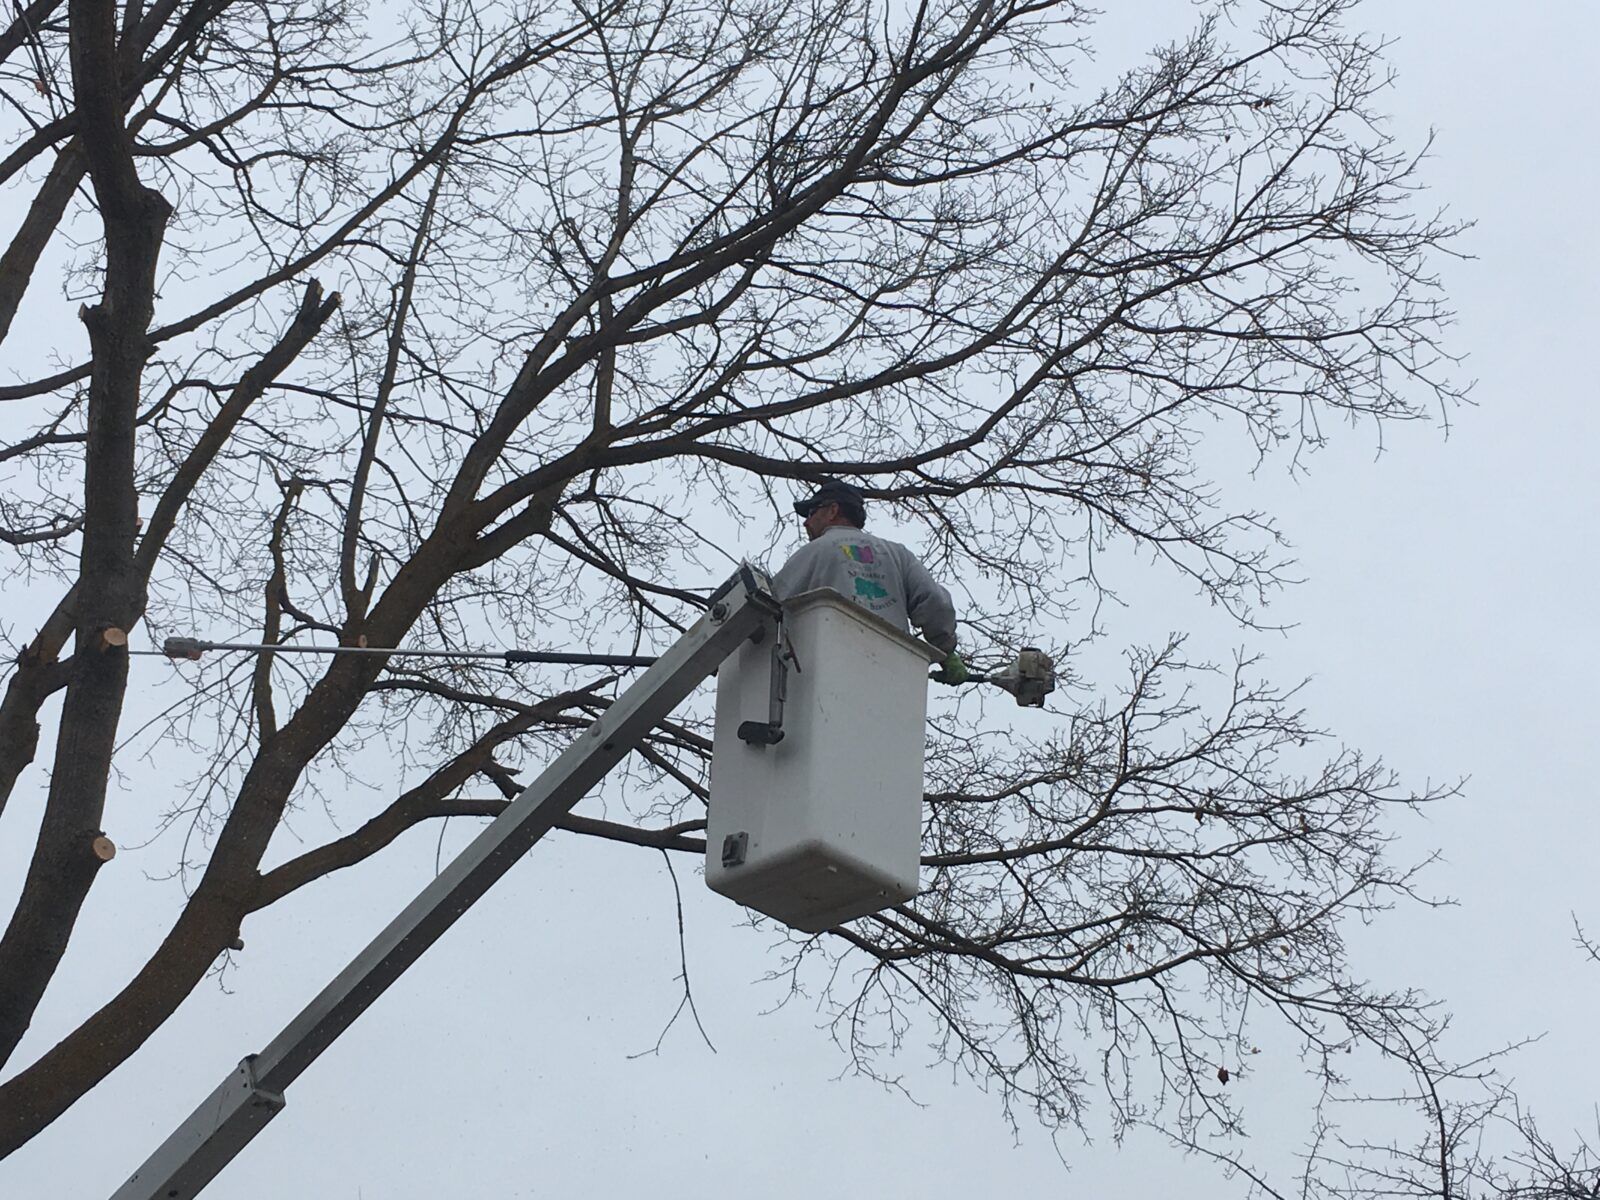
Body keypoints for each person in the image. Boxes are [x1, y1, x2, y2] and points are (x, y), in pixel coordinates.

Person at [772, 478, 968, 683]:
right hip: (893, 675)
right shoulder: (897, 554)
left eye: (812, 512)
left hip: (830, 676)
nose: (806, 521)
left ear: (832, 510)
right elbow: (934, 601)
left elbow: (771, 608)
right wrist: (946, 650)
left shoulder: (813, 553)